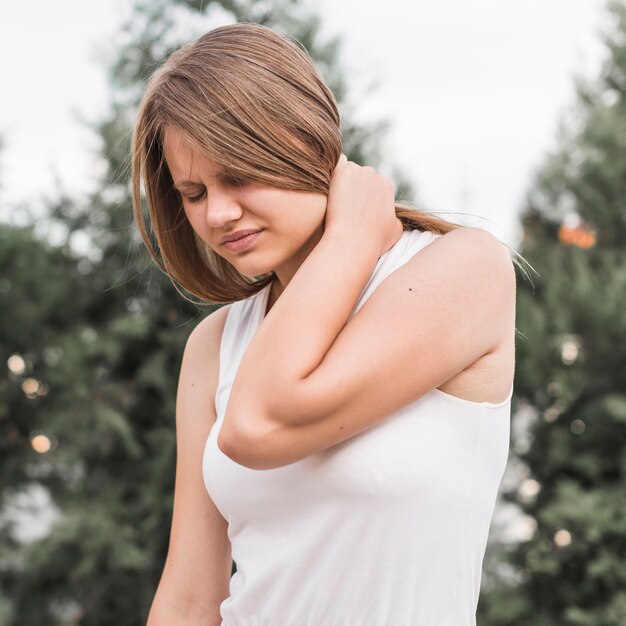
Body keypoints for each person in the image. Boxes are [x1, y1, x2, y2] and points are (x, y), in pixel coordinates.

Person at [132, 21, 520, 626]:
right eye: (193, 191)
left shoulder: (463, 269)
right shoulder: (214, 345)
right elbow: (188, 597)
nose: (218, 213)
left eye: (238, 175)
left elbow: (258, 422)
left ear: (305, 142)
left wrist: (351, 236)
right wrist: (349, 233)